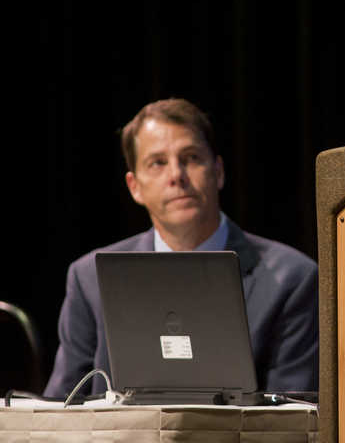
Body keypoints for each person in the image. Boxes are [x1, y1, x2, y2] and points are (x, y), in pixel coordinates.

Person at [44, 98, 319, 397]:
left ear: (218, 171)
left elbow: (291, 413)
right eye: (158, 163)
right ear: (135, 187)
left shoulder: (292, 280)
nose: (176, 175)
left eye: (191, 157)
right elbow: (59, 407)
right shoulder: (89, 278)